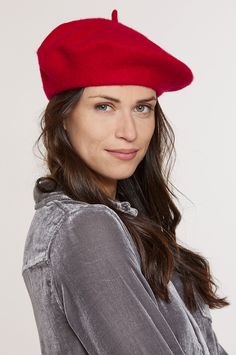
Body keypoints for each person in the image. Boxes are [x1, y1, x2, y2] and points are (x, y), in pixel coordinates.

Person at [22, 9, 229, 355]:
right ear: (63, 119)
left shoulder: (118, 221)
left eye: (142, 108)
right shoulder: (84, 227)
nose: (129, 132)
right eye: (104, 107)